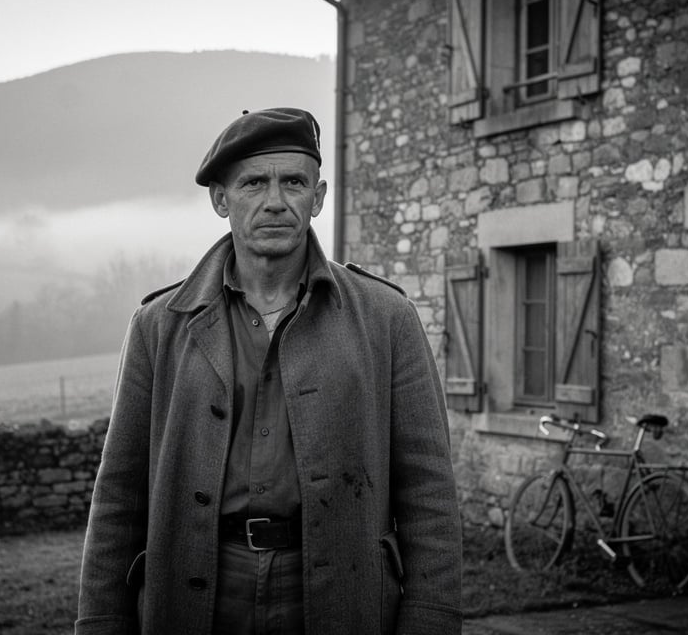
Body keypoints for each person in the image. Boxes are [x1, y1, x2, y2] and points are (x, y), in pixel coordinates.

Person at [75, 107, 463, 635]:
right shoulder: (158, 327)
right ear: (220, 199)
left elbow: (430, 495)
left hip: (342, 595)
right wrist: (99, 621)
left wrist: (431, 620)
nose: (276, 201)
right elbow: (118, 497)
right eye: (254, 182)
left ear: (318, 197)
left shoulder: (387, 318)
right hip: (197, 594)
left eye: (294, 182)